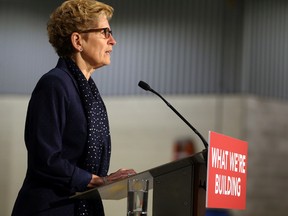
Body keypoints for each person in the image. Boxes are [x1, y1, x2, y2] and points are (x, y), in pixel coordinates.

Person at [12, 0, 136, 215]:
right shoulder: (54, 84)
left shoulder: (87, 90)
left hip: (82, 205)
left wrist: (102, 180)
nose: (113, 41)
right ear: (78, 40)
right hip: (51, 208)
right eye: (105, 32)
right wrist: (93, 179)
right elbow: (45, 158)